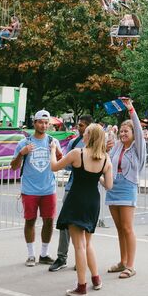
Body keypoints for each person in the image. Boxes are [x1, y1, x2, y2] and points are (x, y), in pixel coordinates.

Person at [51, 123, 114, 296]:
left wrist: (52, 149)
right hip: (93, 201)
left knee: (78, 245)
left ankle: (81, 286)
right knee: (88, 243)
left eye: (85, 132)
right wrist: (97, 176)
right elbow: (109, 185)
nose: (83, 135)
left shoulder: (77, 154)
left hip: (76, 199)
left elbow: (54, 167)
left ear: (89, 136)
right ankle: (96, 279)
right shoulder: (106, 159)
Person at [11, 110, 63, 267]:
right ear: (35, 123)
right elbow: (13, 167)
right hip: (30, 189)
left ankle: (44, 254)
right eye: (41, 122)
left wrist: (58, 153)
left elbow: (59, 161)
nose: (44, 125)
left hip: (49, 188)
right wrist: (21, 153)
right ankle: (31, 254)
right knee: (30, 221)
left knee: (49, 221)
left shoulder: (53, 141)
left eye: (47, 123)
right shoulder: (24, 143)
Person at [48, 114, 93, 272]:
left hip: (87, 190)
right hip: (72, 187)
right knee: (66, 223)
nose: (78, 128)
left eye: (81, 125)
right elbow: (66, 167)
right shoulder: (74, 142)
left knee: (85, 226)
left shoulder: (98, 145)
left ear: (89, 128)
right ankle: (62, 257)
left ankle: (82, 260)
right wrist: (62, 158)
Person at [107, 97, 146, 279]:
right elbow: (106, 162)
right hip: (113, 188)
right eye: (121, 131)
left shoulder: (138, 147)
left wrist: (131, 109)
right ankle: (122, 261)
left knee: (127, 227)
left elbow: (138, 129)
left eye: (126, 131)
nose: (123, 134)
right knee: (119, 228)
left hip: (128, 187)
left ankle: (130, 265)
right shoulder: (116, 147)